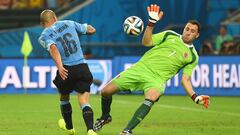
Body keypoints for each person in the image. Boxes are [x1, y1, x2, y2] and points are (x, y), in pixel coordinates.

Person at [94, 4, 210, 135]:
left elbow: (185, 80)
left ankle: (127, 131)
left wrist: (195, 97)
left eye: (192, 31)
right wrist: (151, 24)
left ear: (197, 35)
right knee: (105, 91)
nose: (188, 32)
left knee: (152, 96)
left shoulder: (193, 56)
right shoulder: (169, 35)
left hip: (157, 79)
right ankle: (105, 117)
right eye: (187, 29)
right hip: (140, 68)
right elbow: (147, 42)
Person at [38, 9, 97, 135]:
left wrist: (59, 66)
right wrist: (88, 29)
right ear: (55, 17)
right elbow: (90, 29)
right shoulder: (69, 23)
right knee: (84, 101)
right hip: (82, 67)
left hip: (66, 70)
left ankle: (70, 128)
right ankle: (91, 129)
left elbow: (53, 47)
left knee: (64, 98)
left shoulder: (44, 36)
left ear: (42, 24)